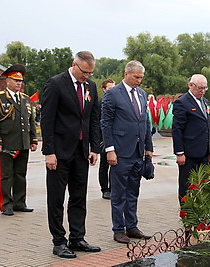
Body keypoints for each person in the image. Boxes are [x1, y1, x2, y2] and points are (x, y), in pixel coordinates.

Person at [41, 51, 101, 258]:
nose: (87, 76)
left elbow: (93, 118)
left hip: (81, 152)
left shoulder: (90, 87)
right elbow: (47, 120)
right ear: (74, 64)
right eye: (84, 72)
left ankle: (77, 238)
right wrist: (49, 152)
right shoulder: (56, 83)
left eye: (90, 73)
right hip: (59, 152)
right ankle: (59, 241)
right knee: (56, 199)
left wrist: (94, 148)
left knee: (78, 197)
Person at [101, 60, 153, 244]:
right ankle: (118, 229)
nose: (139, 80)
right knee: (119, 193)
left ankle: (132, 227)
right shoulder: (113, 94)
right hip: (120, 153)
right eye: (136, 77)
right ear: (126, 74)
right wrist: (110, 150)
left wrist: (148, 148)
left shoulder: (141, 94)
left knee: (133, 191)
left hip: (138, 152)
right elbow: (105, 123)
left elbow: (145, 122)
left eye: (141, 77)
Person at [0, 64, 38, 216]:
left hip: (23, 142)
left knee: (20, 174)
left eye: (20, 81)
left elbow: (30, 121)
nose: (19, 83)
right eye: (15, 80)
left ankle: (19, 202)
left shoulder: (25, 99)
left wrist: (33, 139)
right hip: (6, 143)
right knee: (6, 175)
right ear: (7, 81)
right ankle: (6, 205)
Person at [172, 74, 210, 203]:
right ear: (190, 85)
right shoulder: (182, 102)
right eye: (200, 88)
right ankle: (187, 214)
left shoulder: (205, 102)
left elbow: (208, 128)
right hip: (188, 153)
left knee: (204, 185)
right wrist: (179, 152)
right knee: (186, 186)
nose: (202, 91)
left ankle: (202, 214)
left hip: (204, 153)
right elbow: (177, 129)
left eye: (205, 88)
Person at [98, 79, 115, 199]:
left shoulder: (117, 102)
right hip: (102, 138)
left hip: (116, 138)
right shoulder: (99, 104)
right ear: (104, 89)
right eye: (109, 88)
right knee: (104, 164)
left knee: (115, 165)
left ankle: (114, 188)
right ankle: (105, 189)